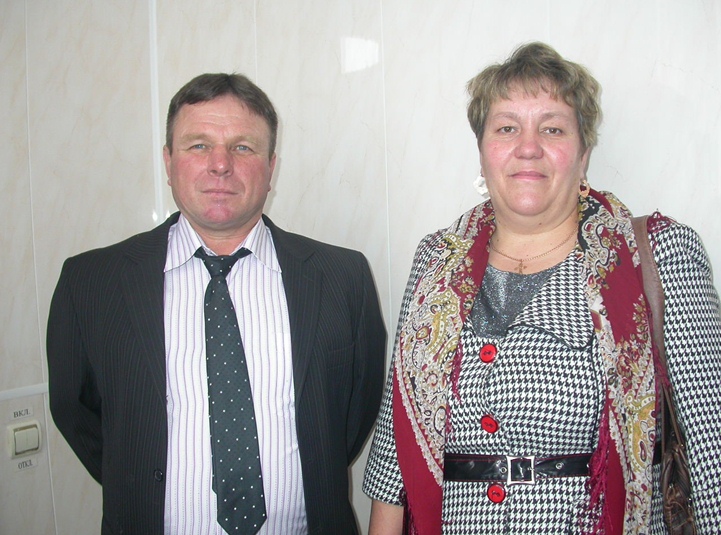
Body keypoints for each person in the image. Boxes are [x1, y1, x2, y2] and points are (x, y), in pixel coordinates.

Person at [363, 42, 721, 534]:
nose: (527, 147)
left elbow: (710, 451)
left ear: (583, 153)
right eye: (506, 128)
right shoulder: (434, 262)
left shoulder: (657, 253)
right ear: (482, 151)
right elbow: (392, 452)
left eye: (552, 128)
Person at [47, 73, 387, 535]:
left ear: (271, 167)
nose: (221, 164)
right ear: (168, 162)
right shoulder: (91, 283)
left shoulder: (342, 278)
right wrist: (139, 479)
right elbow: (75, 410)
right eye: (199, 145)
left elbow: (351, 414)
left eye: (243, 147)